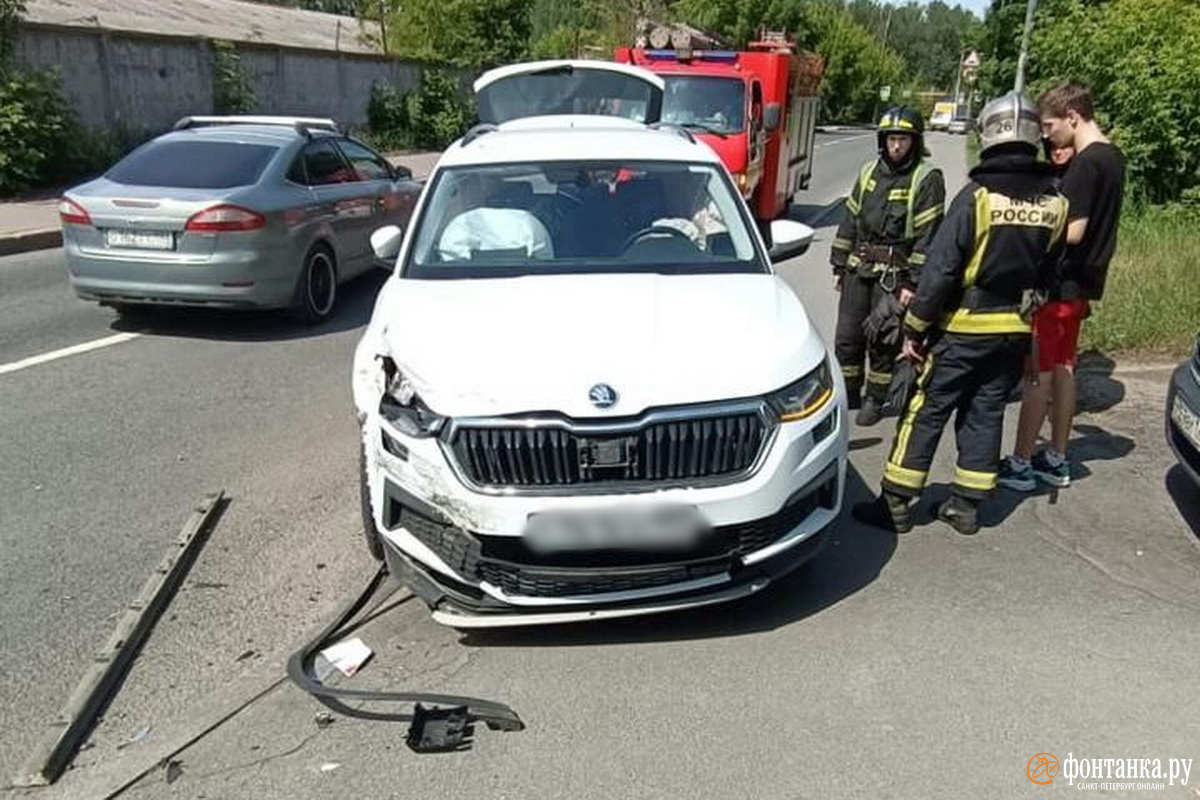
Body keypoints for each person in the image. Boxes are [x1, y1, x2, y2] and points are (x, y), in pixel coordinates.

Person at [852, 91, 1068, 536]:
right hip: (1014, 333)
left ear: (988, 136)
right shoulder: (1055, 204)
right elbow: (1051, 274)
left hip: (961, 331)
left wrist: (914, 328)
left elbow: (941, 270)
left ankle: (895, 502)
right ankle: (966, 506)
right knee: (986, 412)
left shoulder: (977, 198)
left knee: (926, 409)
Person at [998, 82, 1126, 492]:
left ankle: (1019, 463)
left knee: (1038, 374)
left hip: (1059, 286)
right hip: (1082, 288)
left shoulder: (1087, 164)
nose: (1047, 134)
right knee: (1065, 369)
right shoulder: (1113, 157)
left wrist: (1029, 230)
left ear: (1073, 116)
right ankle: (1055, 456)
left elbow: (1072, 231)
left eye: (1051, 125)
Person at [831, 107, 946, 426]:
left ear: (915, 142)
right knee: (847, 337)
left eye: (903, 140)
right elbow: (850, 220)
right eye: (892, 139)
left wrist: (912, 284)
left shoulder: (926, 179)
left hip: (895, 276)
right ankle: (849, 393)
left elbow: (929, 239)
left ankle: (875, 399)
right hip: (858, 269)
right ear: (883, 140)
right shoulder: (869, 173)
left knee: (883, 339)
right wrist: (839, 265)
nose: (896, 146)